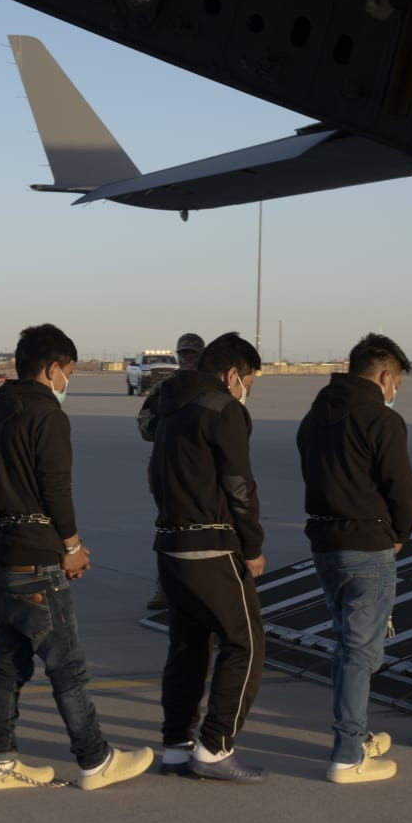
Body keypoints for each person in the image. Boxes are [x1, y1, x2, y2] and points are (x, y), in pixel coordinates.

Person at [0, 324, 154, 791]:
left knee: (9, 664)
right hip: (38, 556)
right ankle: (95, 759)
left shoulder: (2, 414)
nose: (67, 381)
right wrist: (71, 546)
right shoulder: (47, 416)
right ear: (53, 368)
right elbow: (55, 488)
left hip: (5, 548)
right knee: (66, 665)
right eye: (68, 372)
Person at [296, 333, 412, 784]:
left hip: (325, 543)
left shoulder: (314, 417)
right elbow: (402, 488)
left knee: (347, 645)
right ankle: (348, 756)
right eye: (396, 382)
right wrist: (400, 534)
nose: (395, 391)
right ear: (385, 376)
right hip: (367, 545)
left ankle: (357, 734)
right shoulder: (383, 420)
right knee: (361, 654)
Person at [148, 332, 268, 782]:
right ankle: (215, 746)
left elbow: (155, 475)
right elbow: (239, 485)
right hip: (211, 546)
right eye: (247, 382)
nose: (246, 391)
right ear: (232, 374)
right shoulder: (224, 409)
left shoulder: (169, 406)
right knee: (246, 644)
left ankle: (176, 746)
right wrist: (252, 545)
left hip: (170, 544)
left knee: (188, 647)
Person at [140, 331, 207, 610]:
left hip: (202, 468)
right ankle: (165, 588)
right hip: (168, 466)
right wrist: (171, 430)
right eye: (184, 354)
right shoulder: (165, 388)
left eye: (193, 354)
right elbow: (145, 425)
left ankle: (200, 587)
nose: (188, 358)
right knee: (169, 527)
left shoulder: (212, 387)